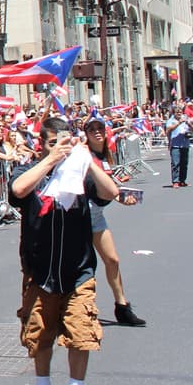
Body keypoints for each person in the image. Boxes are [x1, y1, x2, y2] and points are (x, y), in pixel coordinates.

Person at [9, 117, 120, 385]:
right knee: (40, 334)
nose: (60, 147)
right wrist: (50, 160)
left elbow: (111, 192)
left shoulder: (81, 173)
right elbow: (18, 190)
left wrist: (86, 159)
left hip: (78, 269)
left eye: (64, 141)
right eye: (52, 142)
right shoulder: (28, 170)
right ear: (42, 143)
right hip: (39, 268)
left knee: (81, 334)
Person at [82, 119, 146, 327]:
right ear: (86, 134)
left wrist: (119, 196)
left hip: (97, 213)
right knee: (83, 265)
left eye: (100, 128)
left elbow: (106, 184)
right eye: (91, 129)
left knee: (112, 260)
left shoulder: (105, 155)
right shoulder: (83, 154)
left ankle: (122, 306)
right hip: (82, 212)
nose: (97, 132)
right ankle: (79, 309)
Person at [164, 108, 191, 187]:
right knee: (175, 163)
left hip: (185, 144)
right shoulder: (171, 120)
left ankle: (182, 180)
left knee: (184, 163)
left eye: (180, 112)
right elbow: (168, 130)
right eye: (177, 112)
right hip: (175, 144)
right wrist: (179, 122)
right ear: (174, 113)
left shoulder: (185, 119)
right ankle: (175, 181)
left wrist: (189, 124)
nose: (179, 113)